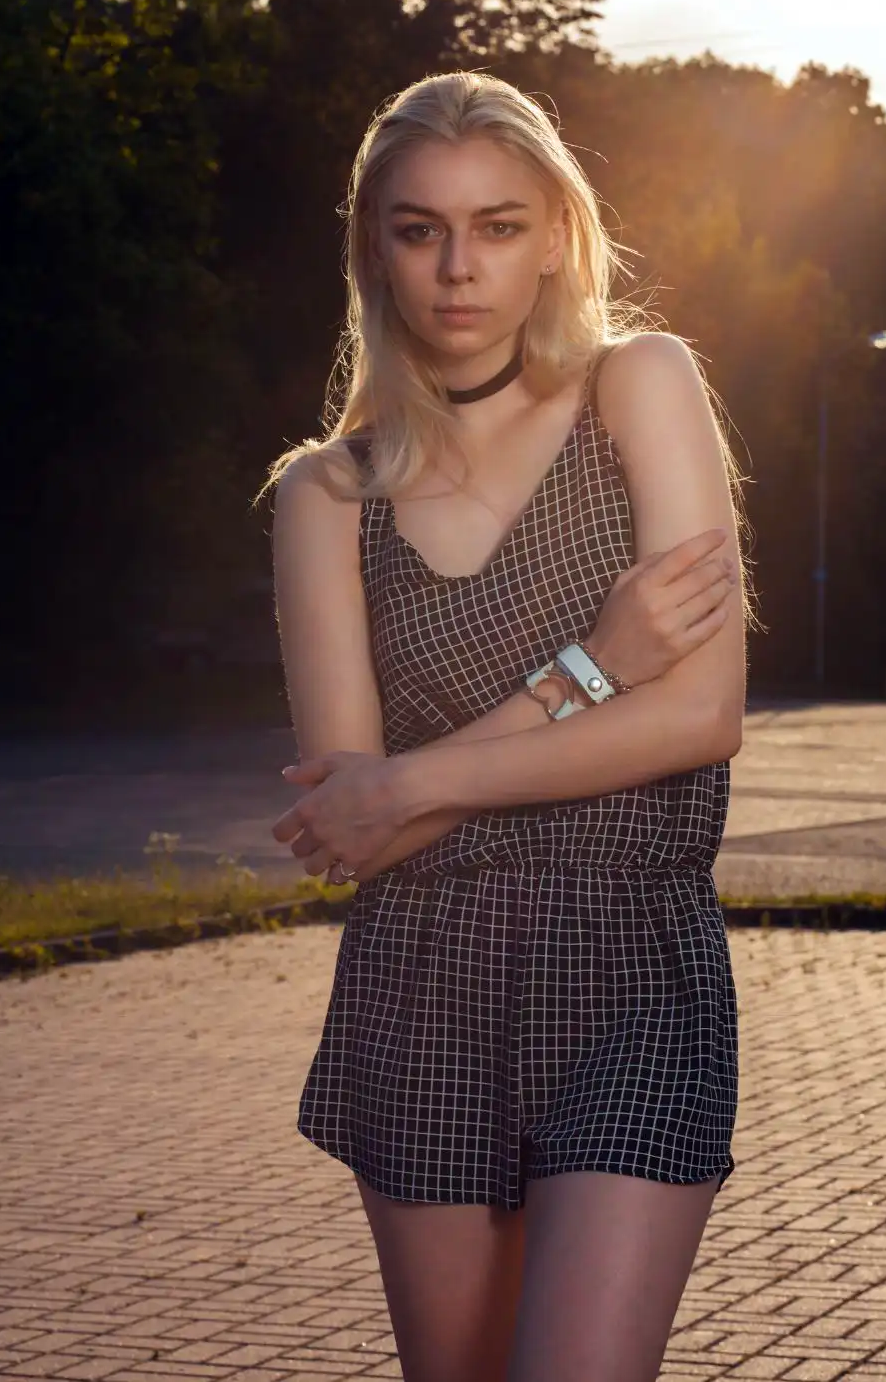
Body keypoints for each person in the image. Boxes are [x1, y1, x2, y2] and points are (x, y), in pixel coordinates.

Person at [260, 70, 752, 1382]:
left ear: (555, 243)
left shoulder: (637, 389)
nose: (459, 269)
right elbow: (363, 828)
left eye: (497, 226)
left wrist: (408, 787)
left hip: (633, 964)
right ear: (375, 247)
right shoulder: (327, 496)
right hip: (423, 982)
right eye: (420, 229)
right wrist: (593, 666)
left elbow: (702, 717)